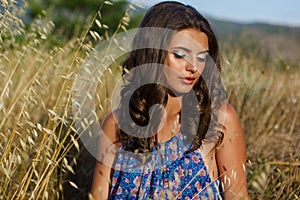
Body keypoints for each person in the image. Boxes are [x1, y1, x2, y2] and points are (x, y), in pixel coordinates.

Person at [91, 1, 248, 199]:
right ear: (153, 53)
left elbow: (238, 195)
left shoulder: (218, 120)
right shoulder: (117, 126)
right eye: (180, 55)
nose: (193, 67)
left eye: (201, 57)